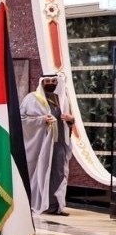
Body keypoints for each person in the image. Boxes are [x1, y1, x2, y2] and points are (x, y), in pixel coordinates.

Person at [22, 74, 74, 216]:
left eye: (53, 81)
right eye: (47, 81)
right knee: (42, 173)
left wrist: (71, 120)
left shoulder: (62, 100)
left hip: (59, 145)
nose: (51, 83)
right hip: (42, 145)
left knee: (59, 175)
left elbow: (69, 122)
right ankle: (39, 203)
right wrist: (42, 119)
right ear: (42, 82)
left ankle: (56, 206)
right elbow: (22, 119)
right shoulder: (32, 98)